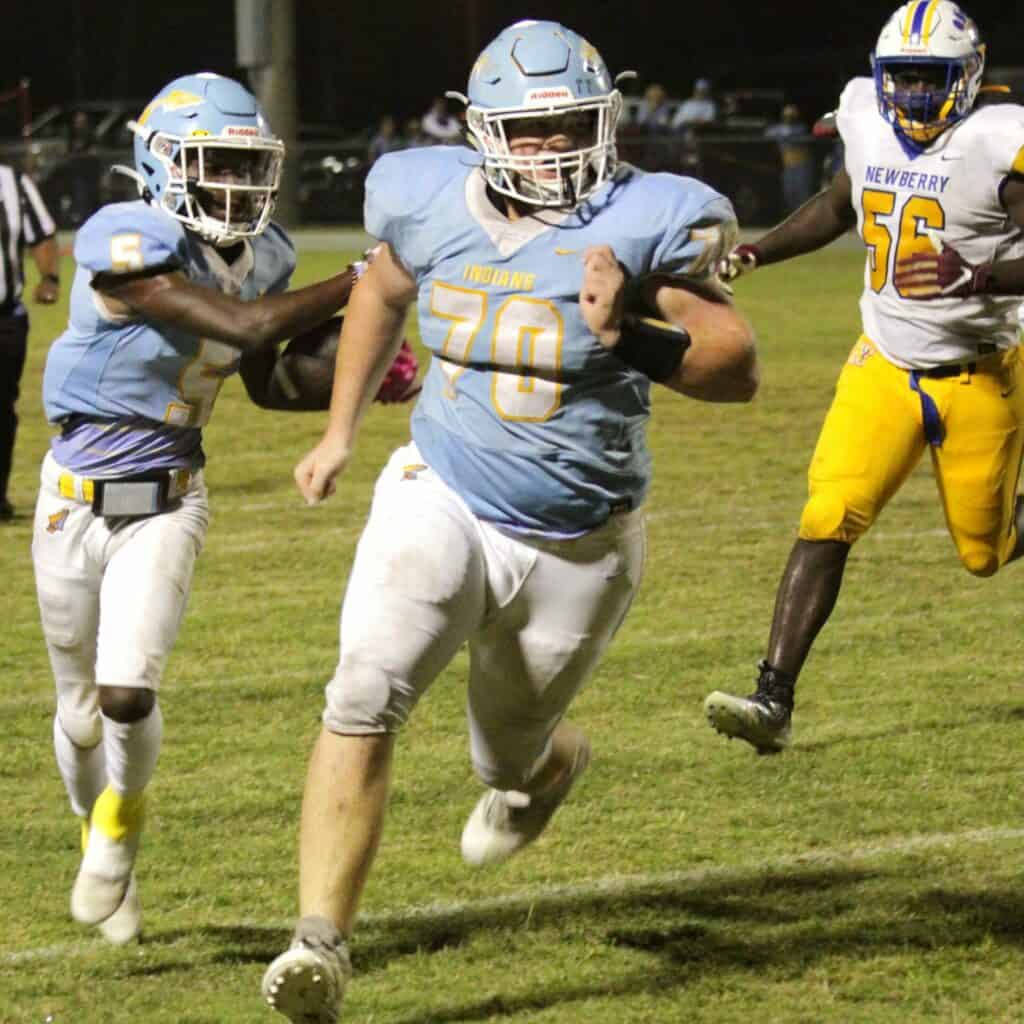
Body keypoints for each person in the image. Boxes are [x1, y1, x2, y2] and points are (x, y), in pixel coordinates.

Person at [261, 19, 758, 1023]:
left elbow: (735, 365)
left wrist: (629, 335)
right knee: (364, 683)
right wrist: (341, 429)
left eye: (567, 125)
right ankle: (317, 941)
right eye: (526, 132)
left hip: (581, 539)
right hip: (442, 487)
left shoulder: (647, 217)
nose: (548, 149)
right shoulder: (425, 193)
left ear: (603, 121)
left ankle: (547, 764)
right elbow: (381, 291)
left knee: (506, 758)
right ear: (482, 131)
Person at [32, 71, 414, 947]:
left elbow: (262, 377)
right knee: (79, 706)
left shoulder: (267, 253)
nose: (237, 189)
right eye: (216, 167)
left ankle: (119, 829)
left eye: (249, 169)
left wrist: (347, 387)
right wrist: (363, 280)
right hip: (71, 500)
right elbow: (242, 328)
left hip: (167, 497)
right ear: (162, 166)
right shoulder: (125, 237)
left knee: (127, 692)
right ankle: (92, 826)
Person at [704, 1, 1024, 755]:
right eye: (902, 77)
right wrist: (759, 252)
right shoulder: (865, 117)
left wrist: (977, 275)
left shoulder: (998, 141)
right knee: (830, 512)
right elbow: (840, 204)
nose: (913, 94)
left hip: (978, 371)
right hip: (881, 362)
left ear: (969, 77)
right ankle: (771, 700)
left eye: (931, 78)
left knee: (983, 553)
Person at [0, 161, 60, 520]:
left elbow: (41, 236)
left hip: (4, 319)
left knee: (1, 410)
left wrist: (50, 277)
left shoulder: (12, 182)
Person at [765, 103, 817, 215]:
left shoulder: (801, 128)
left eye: (792, 116)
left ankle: (806, 216)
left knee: (803, 194)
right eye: (787, 116)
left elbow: (788, 133)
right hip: (788, 165)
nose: (789, 118)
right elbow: (767, 133)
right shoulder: (778, 129)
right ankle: (793, 217)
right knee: (789, 193)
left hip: (802, 165)